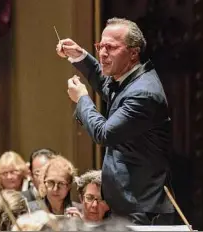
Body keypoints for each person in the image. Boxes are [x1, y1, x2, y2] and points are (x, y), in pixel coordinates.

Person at [56, 17, 174, 224]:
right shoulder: (132, 79)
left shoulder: (144, 93)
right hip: (128, 202)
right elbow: (107, 84)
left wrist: (82, 98)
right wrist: (80, 56)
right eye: (100, 46)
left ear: (133, 52)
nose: (102, 53)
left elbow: (104, 134)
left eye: (110, 47)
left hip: (141, 206)